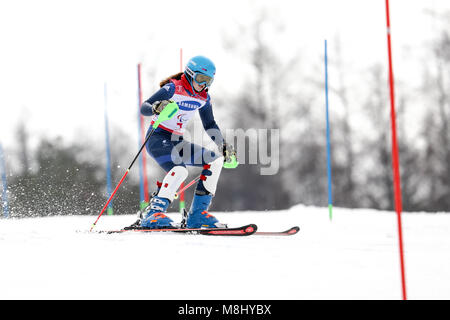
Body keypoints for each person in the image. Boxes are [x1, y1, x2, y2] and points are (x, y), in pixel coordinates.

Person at [138, 55, 236, 229]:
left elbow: (210, 124)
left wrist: (223, 146)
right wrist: (155, 107)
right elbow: (144, 107)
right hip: (157, 138)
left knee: (215, 160)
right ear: (190, 74)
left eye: (209, 81)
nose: (204, 85)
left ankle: (197, 215)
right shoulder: (172, 89)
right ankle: (152, 215)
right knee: (179, 170)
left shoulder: (203, 97)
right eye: (201, 79)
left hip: (177, 141)